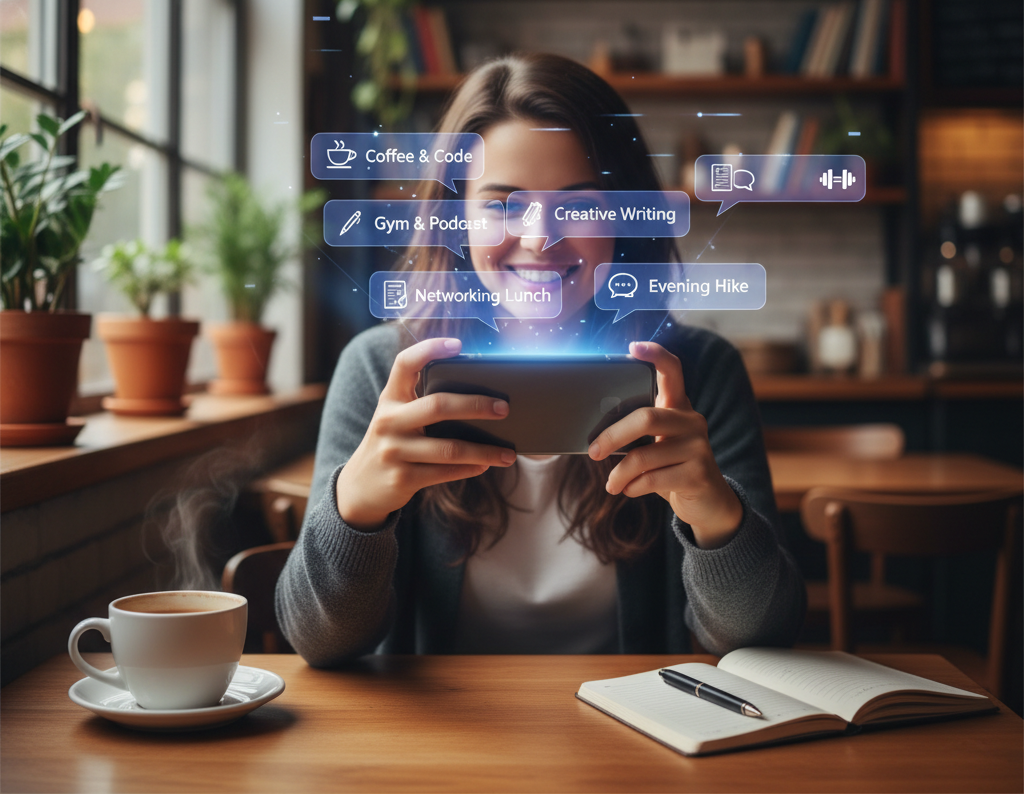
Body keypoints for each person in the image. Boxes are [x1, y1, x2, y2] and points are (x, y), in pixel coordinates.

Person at [276, 53, 805, 663]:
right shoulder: (379, 370)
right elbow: (318, 641)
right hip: (438, 746)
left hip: (639, 742)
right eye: (501, 204)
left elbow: (764, 638)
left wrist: (716, 518)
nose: (538, 237)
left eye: (578, 203)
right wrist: (357, 509)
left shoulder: (698, 374)